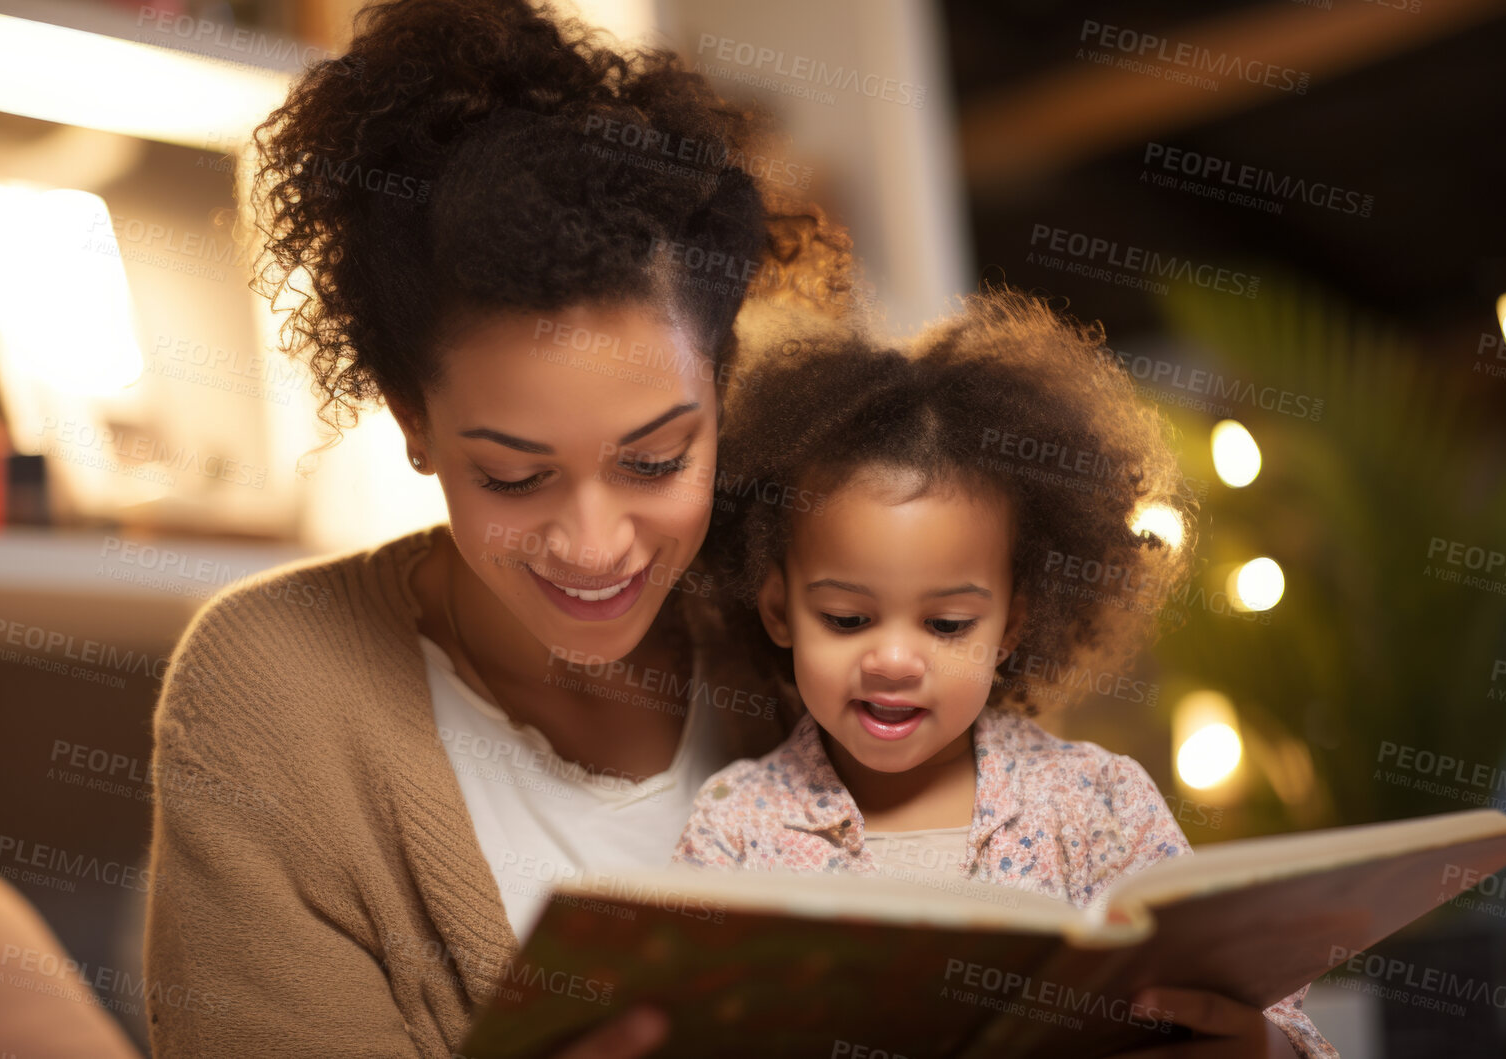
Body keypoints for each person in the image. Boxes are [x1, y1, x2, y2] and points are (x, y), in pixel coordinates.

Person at [140, 0, 851, 1055]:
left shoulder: (806, 625)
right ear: (412, 421)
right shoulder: (270, 690)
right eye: (513, 477)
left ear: (721, 389)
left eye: (654, 462)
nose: (594, 544)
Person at [672, 287, 1339, 1058]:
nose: (892, 660)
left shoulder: (1096, 806)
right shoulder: (734, 830)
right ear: (778, 610)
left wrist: (1262, 1047)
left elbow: (1281, 1017)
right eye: (847, 619)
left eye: (947, 624)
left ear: (1010, 624)